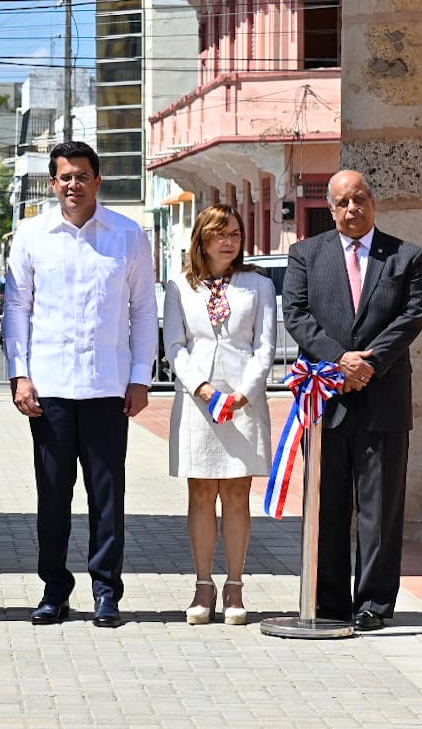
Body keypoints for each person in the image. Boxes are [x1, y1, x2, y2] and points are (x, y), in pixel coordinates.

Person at [3, 140, 158, 628]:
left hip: (108, 387)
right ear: (53, 183)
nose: (73, 185)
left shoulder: (128, 235)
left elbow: (143, 310)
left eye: (82, 176)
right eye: (64, 177)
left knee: (107, 495)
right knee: (53, 495)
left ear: (98, 180)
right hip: (48, 388)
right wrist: (20, 374)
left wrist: (140, 378)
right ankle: (54, 590)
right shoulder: (30, 236)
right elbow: (17, 309)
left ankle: (107, 591)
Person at [283, 169, 422, 631]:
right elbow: (296, 313)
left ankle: (374, 604)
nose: (352, 210)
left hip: (383, 399)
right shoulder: (307, 254)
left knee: (380, 508)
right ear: (330, 208)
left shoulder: (405, 256)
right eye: (343, 203)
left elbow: (411, 315)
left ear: (373, 202)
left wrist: (369, 363)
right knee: (328, 505)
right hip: (328, 403)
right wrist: (339, 360)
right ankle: (330, 602)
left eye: (360, 199)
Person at [162, 205, 276, 626]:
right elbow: (175, 345)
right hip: (198, 400)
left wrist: (244, 393)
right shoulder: (179, 286)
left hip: (243, 401)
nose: (229, 241)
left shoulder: (257, 285)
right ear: (202, 239)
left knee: (236, 496)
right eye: (220, 234)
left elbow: (265, 346)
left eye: (235, 233)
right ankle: (202, 583)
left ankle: (235, 584)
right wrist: (204, 389)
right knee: (200, 494)